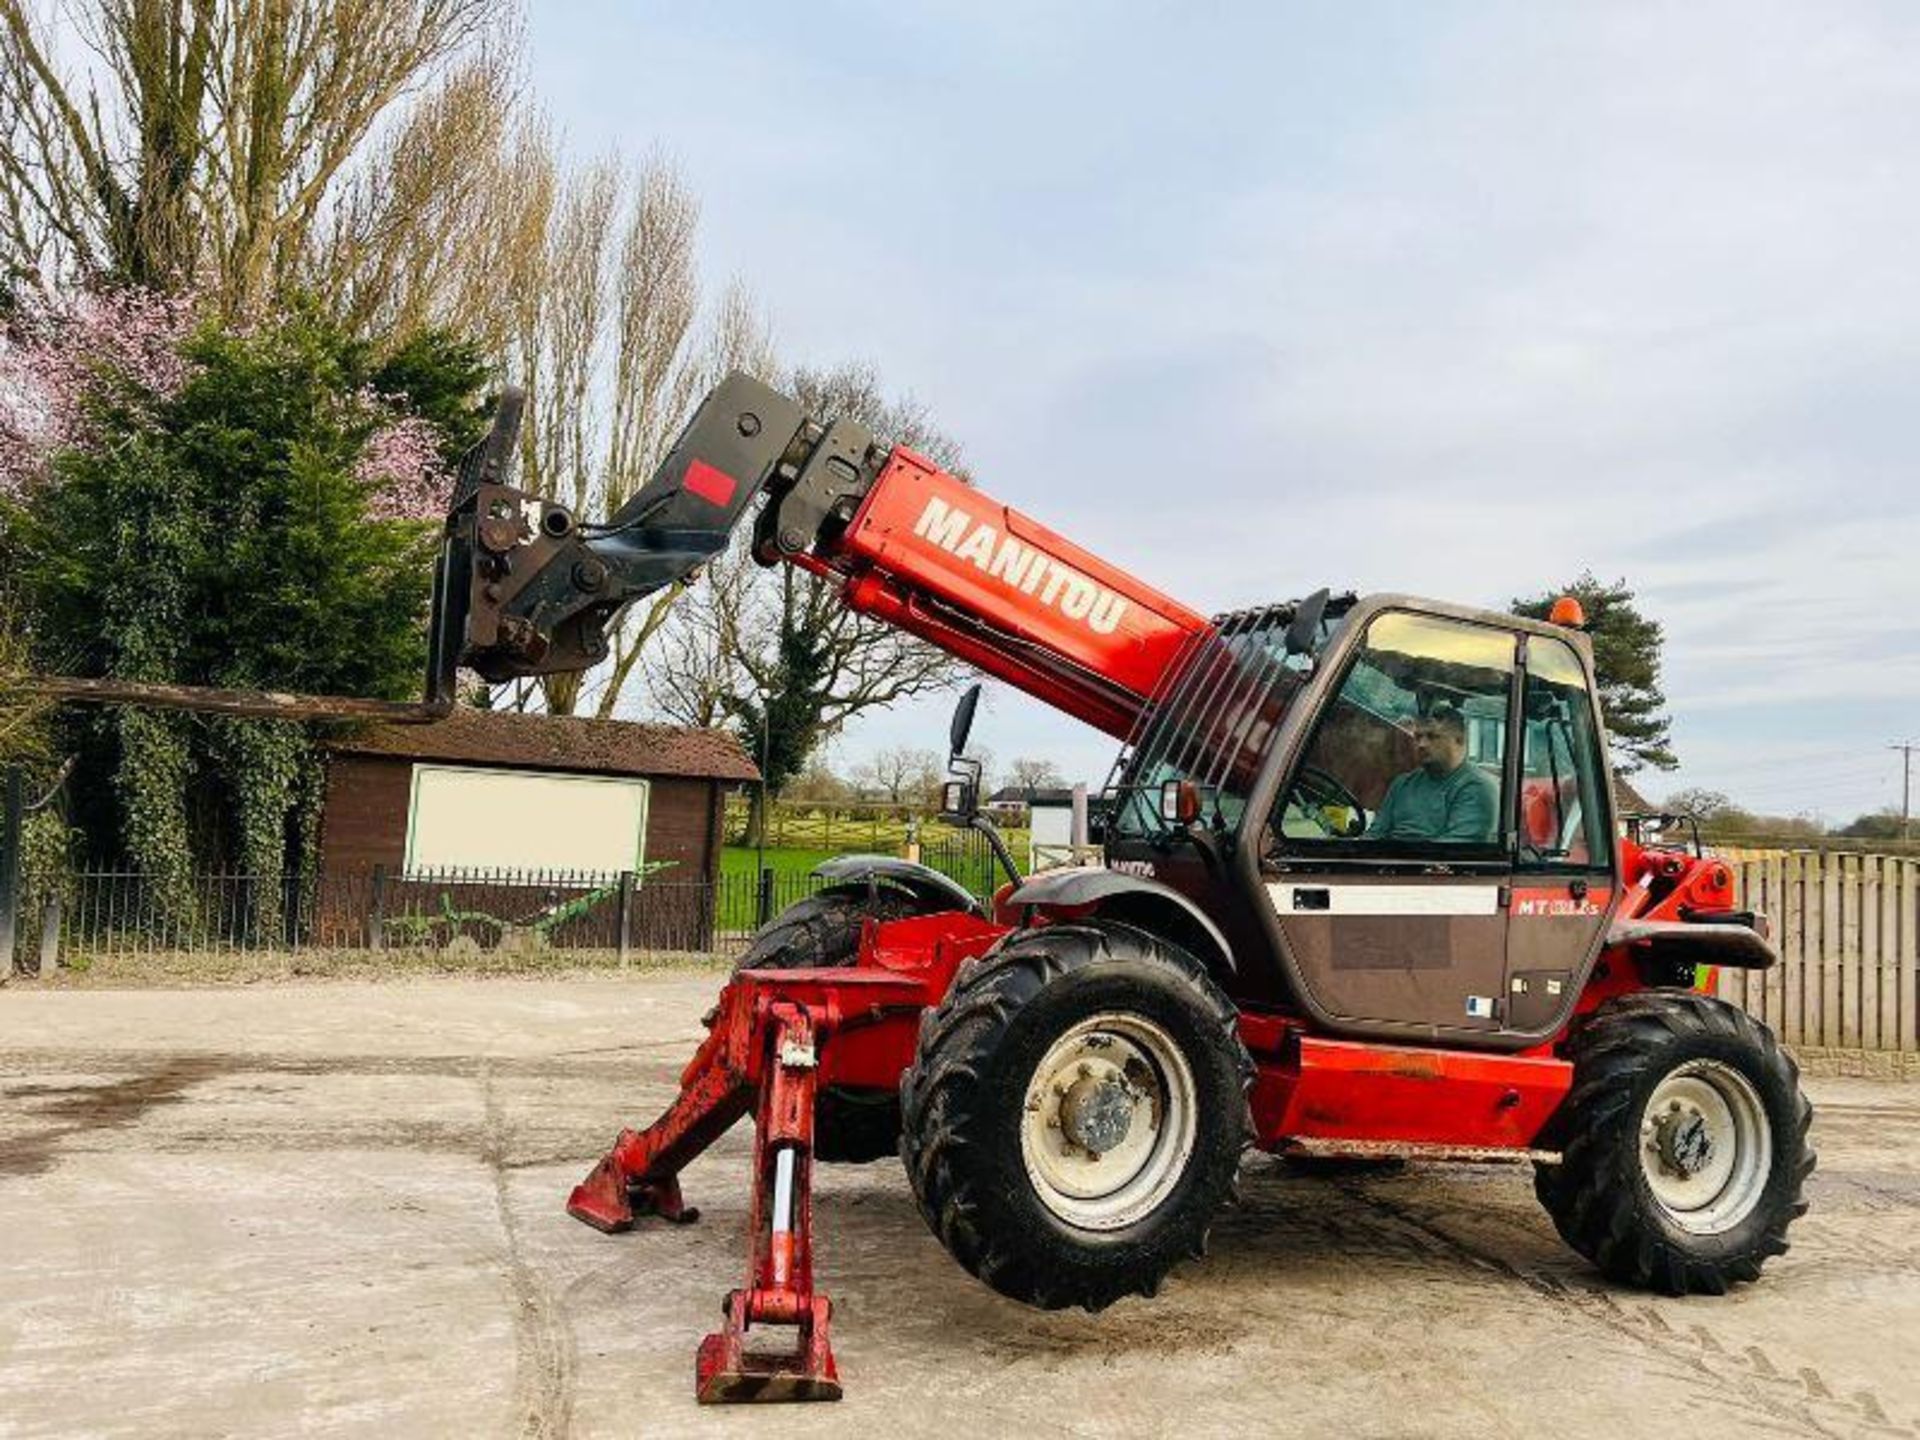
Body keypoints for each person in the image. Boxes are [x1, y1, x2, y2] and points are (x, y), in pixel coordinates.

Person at [1365, 704, 1498, 843]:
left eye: (1432, 736)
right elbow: (1374, 836)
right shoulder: (1403, 784)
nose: (1421, 744)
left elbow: (1454, 850)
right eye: (1417, 737)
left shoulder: (1475, 788)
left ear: (1460, 740)